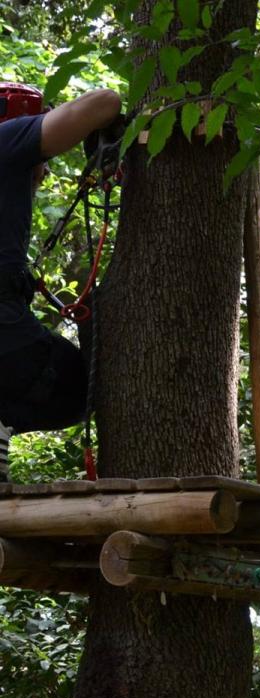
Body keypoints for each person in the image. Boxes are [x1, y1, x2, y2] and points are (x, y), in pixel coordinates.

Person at [0, 80, 122, 480]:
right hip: (8, 343)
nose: (47, 171)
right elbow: (106, 102)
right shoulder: (8, 138)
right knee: (82, 385)